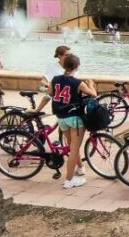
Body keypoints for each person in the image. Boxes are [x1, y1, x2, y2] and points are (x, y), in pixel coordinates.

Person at [31, 54, 97, 188]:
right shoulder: (78, 83)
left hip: (61, 118)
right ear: (77, 66)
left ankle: (80, 167)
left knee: (72, 145)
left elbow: (48, 96)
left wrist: (37, 109)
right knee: (74, 149)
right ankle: (69, 180)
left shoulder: (55, 80)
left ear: (64, 65)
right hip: (75, 119)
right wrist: (91, 84)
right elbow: (93, 95)